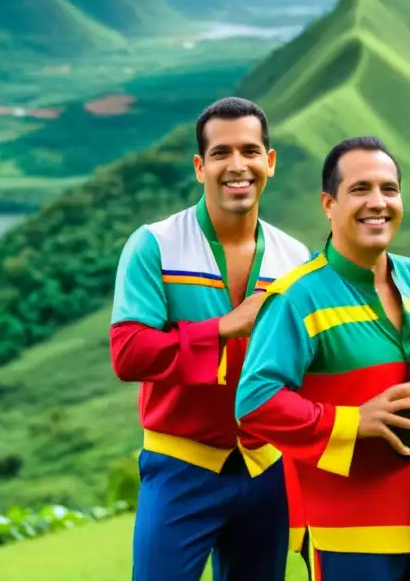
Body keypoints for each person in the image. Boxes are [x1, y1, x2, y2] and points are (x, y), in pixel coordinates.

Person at [234, 136, 410, 580]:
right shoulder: (295, 297)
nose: (378, 202)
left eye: (389, 189)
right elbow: (254, 402)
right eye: (361, 189)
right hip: (349, 535)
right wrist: (354, 420)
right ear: (329, 203)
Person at [109, 97, 312, 581]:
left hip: (269, 468)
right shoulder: (153, 245)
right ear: (200, 167)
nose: (237, 166)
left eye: (249, 151)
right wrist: (224, 326)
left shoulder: (295, 257)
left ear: (270, 162)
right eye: (221, 153)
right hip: (181, 464)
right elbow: (128, 353)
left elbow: (310, 364)